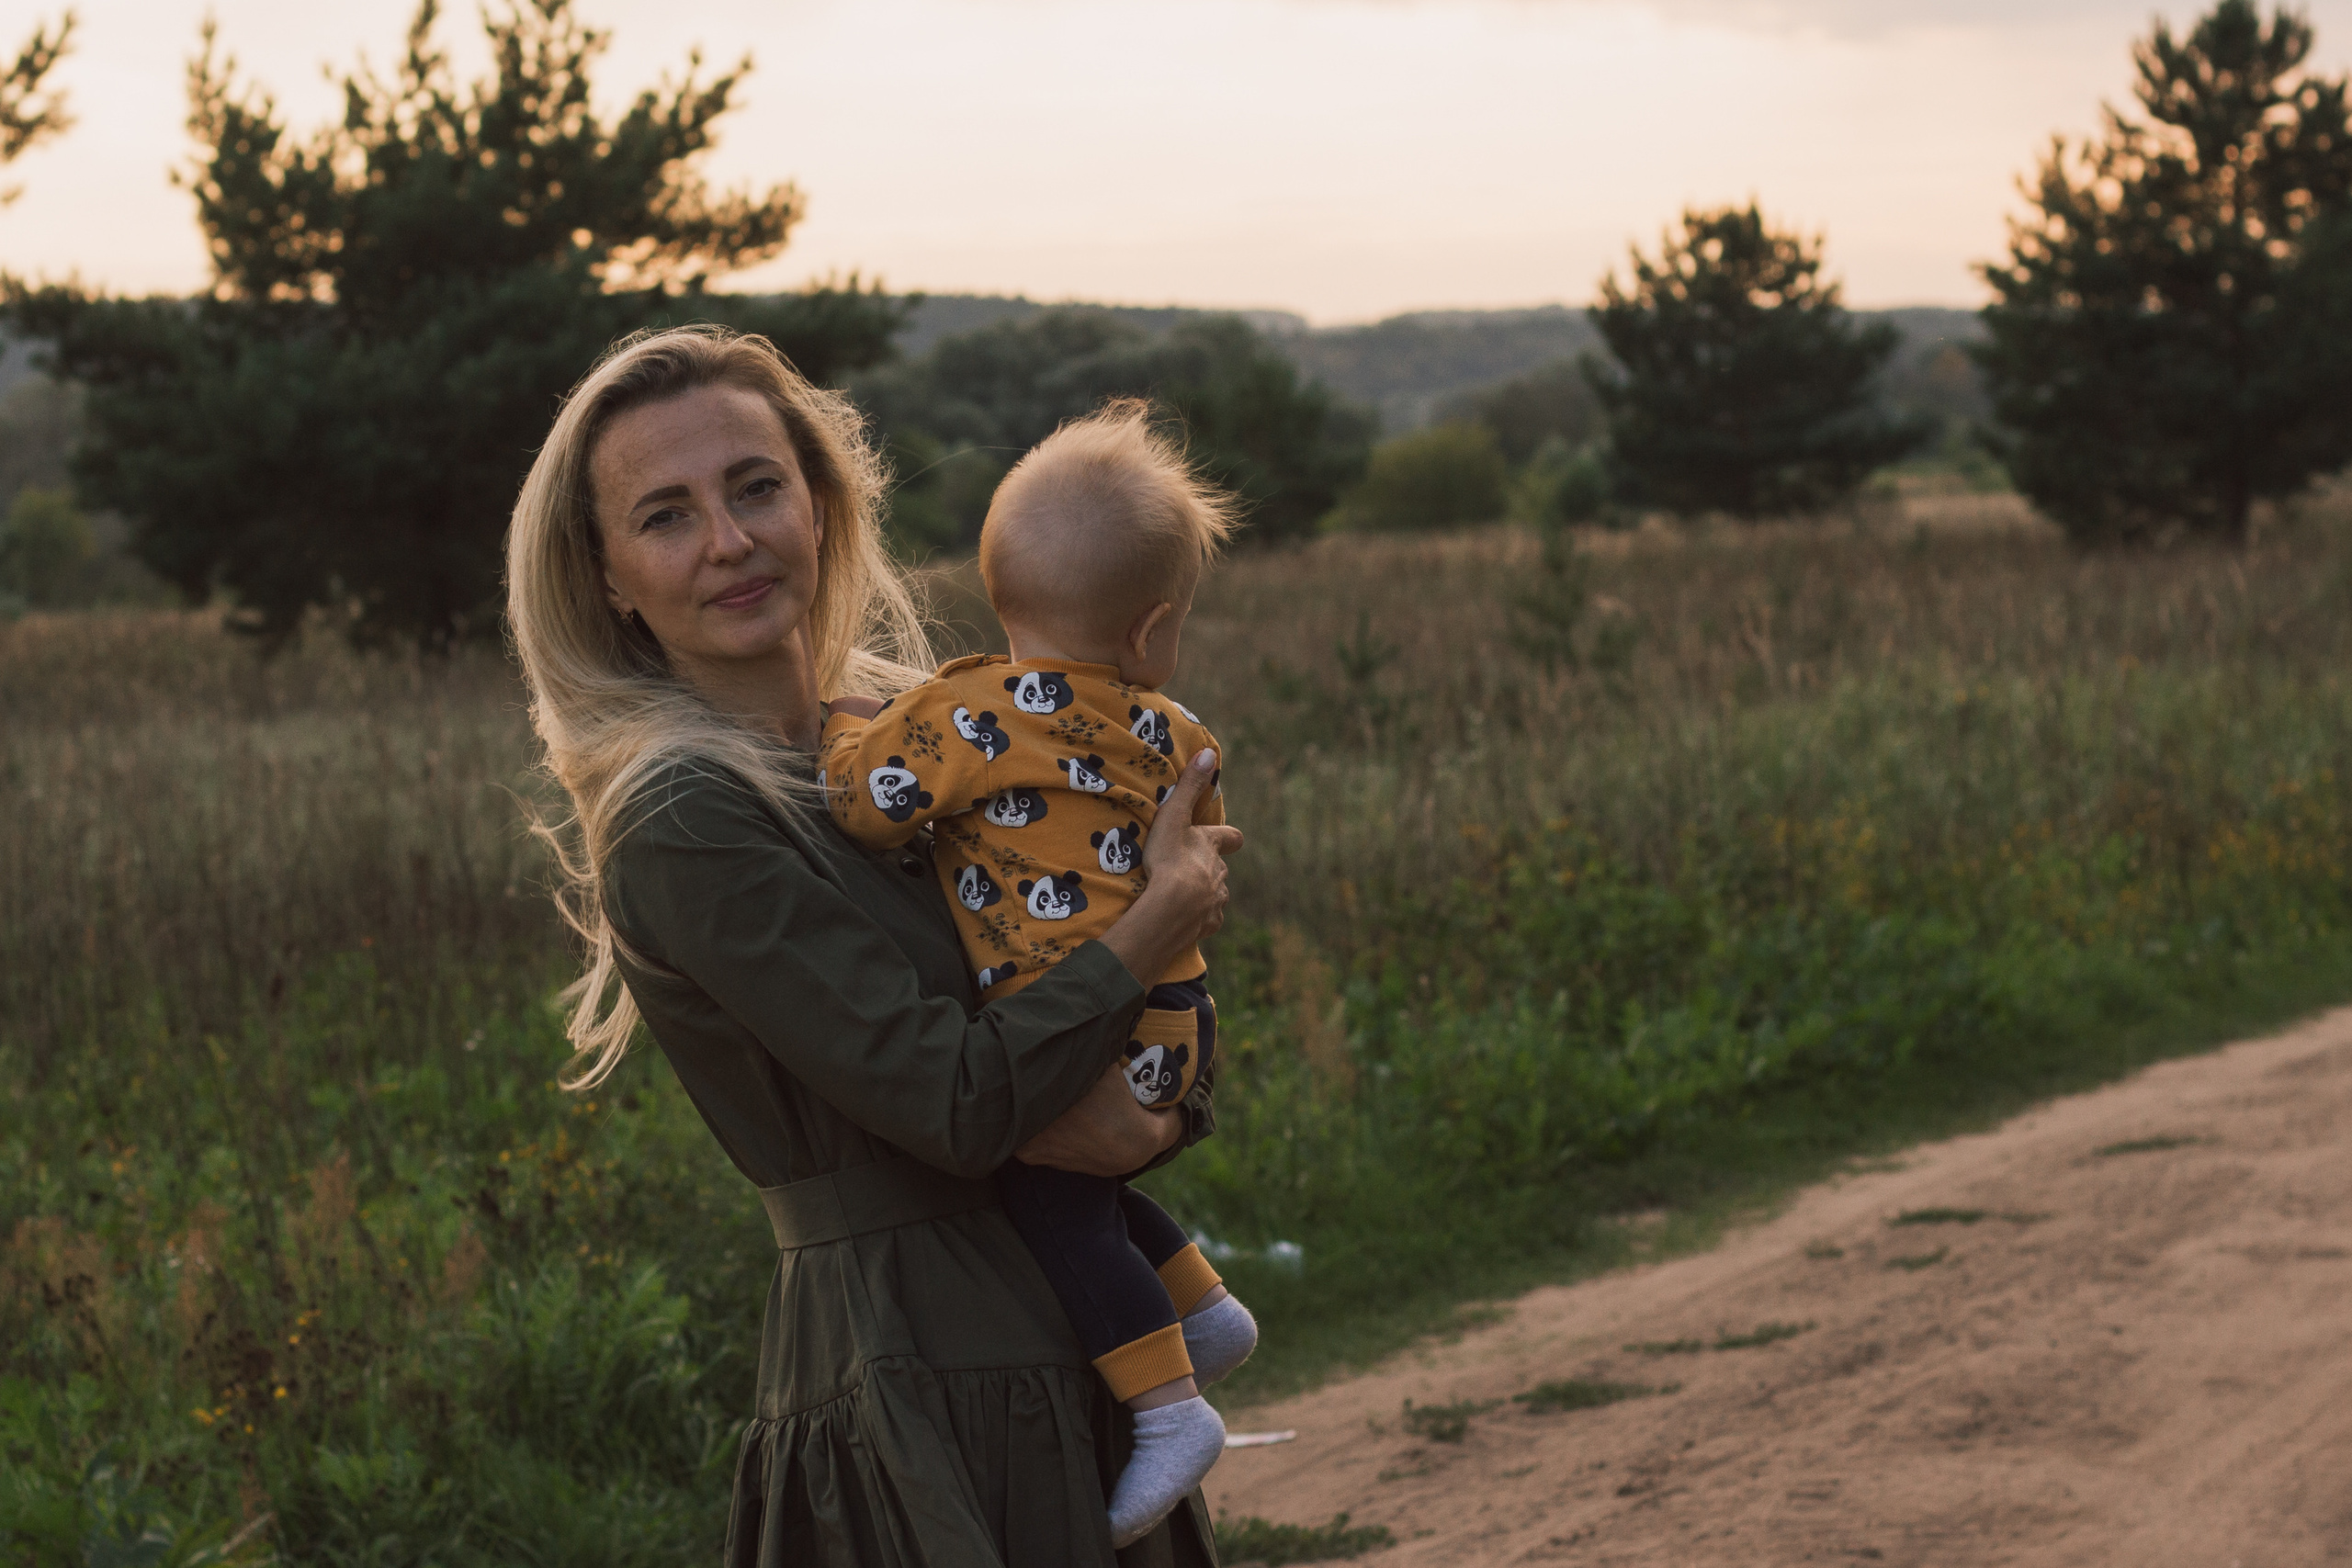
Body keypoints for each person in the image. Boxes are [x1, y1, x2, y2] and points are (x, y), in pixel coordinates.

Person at [504, 324, 1242, 1567]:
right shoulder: (686, 815)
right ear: (611, 575)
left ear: (819, 500)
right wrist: (1162, 920)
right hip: (924, 1369)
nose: (730, 540)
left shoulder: (925, 743)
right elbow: (956, 1101)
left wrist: (1165, 1115)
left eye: (754, 487)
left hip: (1077, 1325)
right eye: (667, 515)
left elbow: (1097, 963)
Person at [820, 403, 1260, 1546]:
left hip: (1076, 1023)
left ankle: (1168, 1407)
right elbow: (1197, 839)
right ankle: (1200, 1310)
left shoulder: (963, 714)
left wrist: (844, 735)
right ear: (1154, 629)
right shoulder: (1180, 729)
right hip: (1174, 1018)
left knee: (1051, 1205)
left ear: (996, 589)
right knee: (1089, 1188)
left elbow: (869, 811)